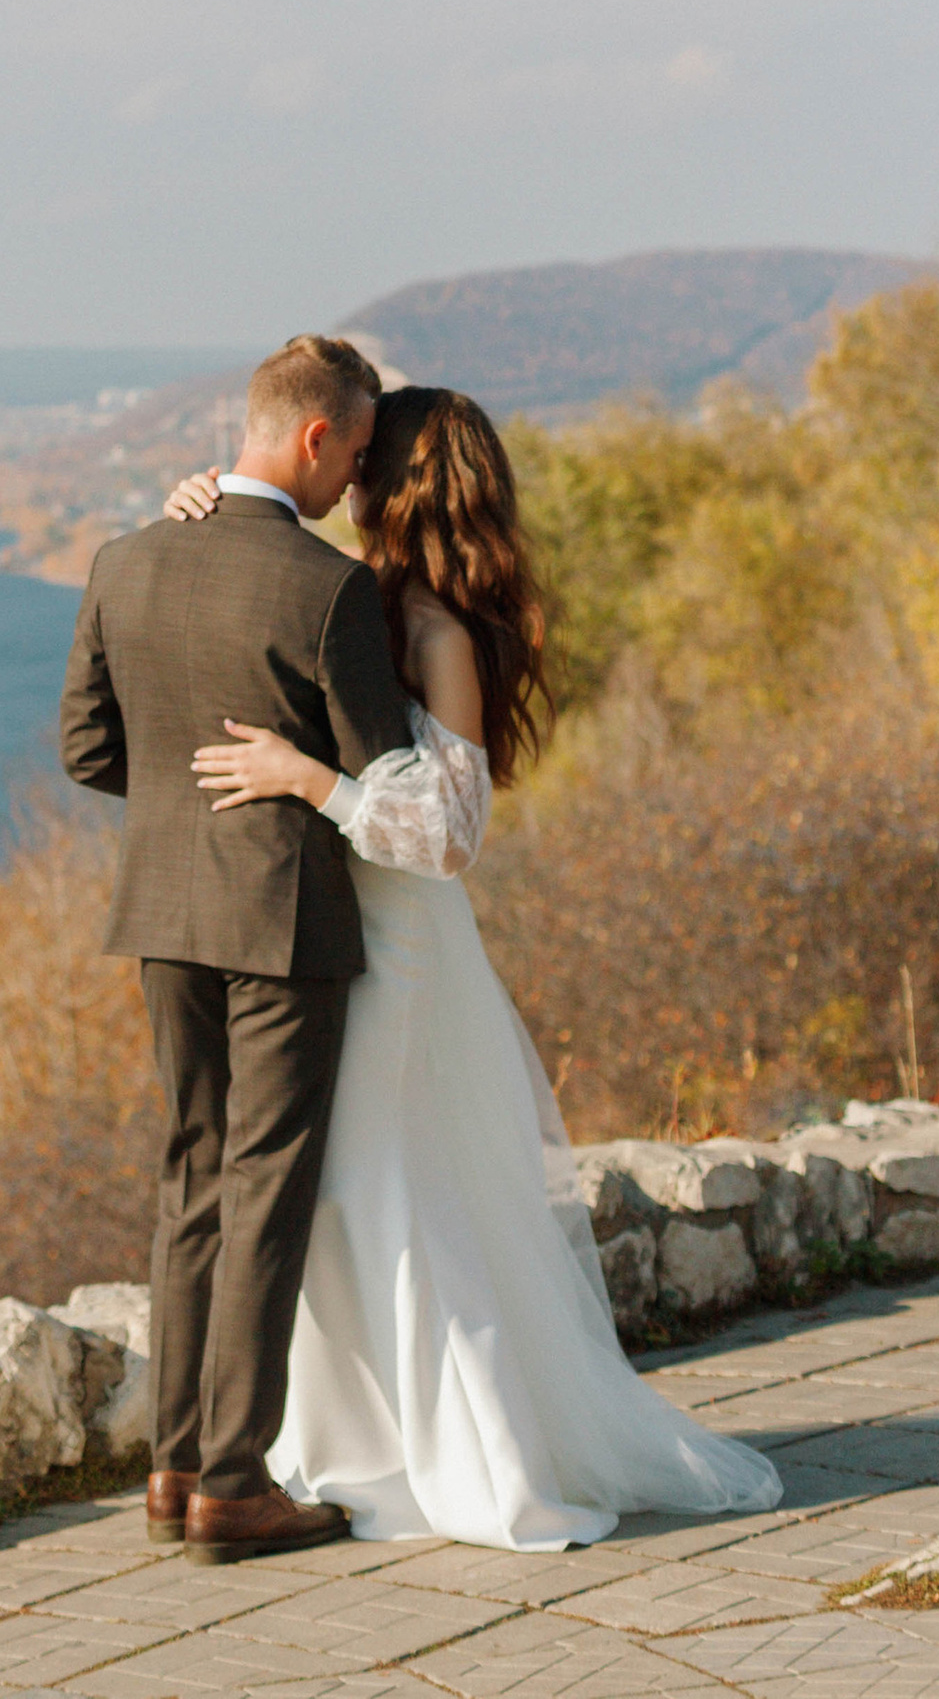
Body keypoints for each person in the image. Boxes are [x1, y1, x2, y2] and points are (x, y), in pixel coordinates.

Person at [162, 383, 781, 1550]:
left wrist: (314, 784)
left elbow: (449, 838)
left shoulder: (435, 627)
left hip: (400, 952)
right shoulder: (349, 598)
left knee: (379, 1191)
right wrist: (199, 504)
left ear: (389, 481)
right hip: (325, 944)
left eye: (357, 467)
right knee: (338, 1198)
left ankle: (464, 1452)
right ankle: (350, 1437)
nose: (337, 481)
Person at [58, 331, 406, 1567]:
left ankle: (170, 1466)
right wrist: (290, 786)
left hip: (162, 914)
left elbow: (86, 750)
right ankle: (235, 1484)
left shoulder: (125, 559)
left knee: (190, 1179)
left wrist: (177, 803)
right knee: (264, 1189)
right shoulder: (326, 590)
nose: (354, 477)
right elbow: (386, 776)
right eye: (356, 451)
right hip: (281, 918)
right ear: (315, 436)